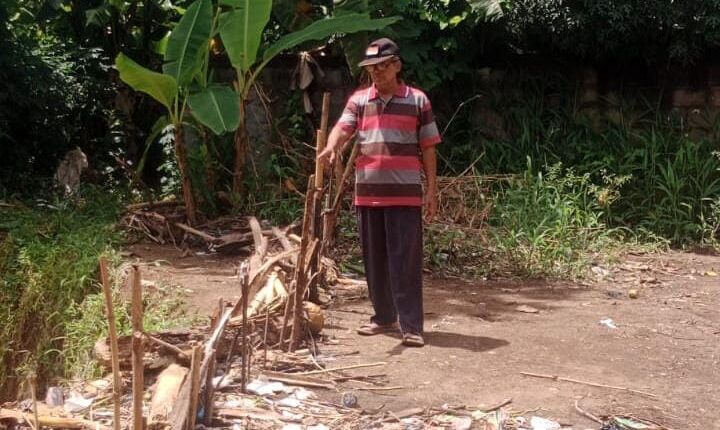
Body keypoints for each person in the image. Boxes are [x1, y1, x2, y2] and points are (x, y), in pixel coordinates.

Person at [317, 38, 441, 347]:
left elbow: (428, 147)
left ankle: (411, 326)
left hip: (405, 196)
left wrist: (432, 189)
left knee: (405, 262)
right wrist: (331, 147)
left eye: (382, 66)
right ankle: (384, 317)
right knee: (375, 262)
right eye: (372, 68)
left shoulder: (417, 101)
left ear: (397, 65)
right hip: (368, 194)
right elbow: (342, 129)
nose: (377, 72)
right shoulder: (360, 100)